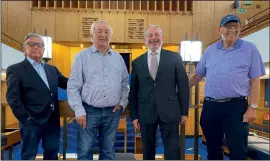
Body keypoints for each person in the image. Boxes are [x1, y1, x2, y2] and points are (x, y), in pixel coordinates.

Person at [189, 14, 266, 160]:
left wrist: (253, 107)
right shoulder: (210, 51)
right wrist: (179, 88)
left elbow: (255, 81)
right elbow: (197, 75)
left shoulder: (250, 49)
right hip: (211, 107)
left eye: (236, 26)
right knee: (212, 150)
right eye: (228, 26)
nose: (232, 29)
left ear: (240, 28)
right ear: (219, 29)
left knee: (238, 151)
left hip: (236, 108)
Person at [67, 20, 129, 160]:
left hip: (112, 113)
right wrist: (78, 109)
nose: (103, 35)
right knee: (85, 151)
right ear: (91, 35)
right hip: (88, 112)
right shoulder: (82, 57)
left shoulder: (118, 58)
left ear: (111, 36)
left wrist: (122, 103)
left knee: (108, 152)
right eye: (99, 31)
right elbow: (73, 86)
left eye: (107, 32)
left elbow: (125, 84)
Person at [129, 25, 189, 160]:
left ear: (162, 38)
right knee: (147, 149)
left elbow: (183, 85)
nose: (153, 38)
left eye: (156, 35)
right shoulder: (137, 62)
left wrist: (184, 112)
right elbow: (133, 92)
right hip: (146, 111)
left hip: (170, 110)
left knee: (172, 149)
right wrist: (134, 115)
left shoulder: (174, 57)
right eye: (150, 36)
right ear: (145, 40)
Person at [6, 33, 68, 160]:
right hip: (31, 121)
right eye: (32, 44)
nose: (36, 48)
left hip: (52, 120)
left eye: (39, 45)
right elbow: (13, 97)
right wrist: (25, 118)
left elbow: (68, 84)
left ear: (44, 49)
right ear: (25, 48)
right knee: (29, 155)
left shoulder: (52, 69)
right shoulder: (15, 69)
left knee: (52, 154)